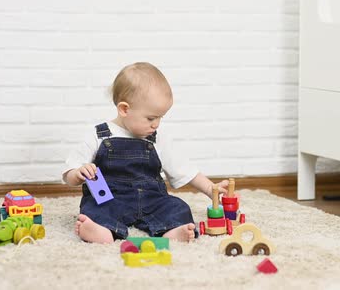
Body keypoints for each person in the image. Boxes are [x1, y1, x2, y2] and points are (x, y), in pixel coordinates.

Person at [62, 62, 228, 243]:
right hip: (111, 199)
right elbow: (69, 173)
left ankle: (172, 231)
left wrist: (211, 189)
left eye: (160, 118)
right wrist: (78, 174)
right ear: (125, 109)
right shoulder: (99, 135)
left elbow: (185, 170)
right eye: (151, 118)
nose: (156, 124)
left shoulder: (157, 137)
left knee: (178, 207)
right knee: (94, 208)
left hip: (152, 199)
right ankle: (100, 231)